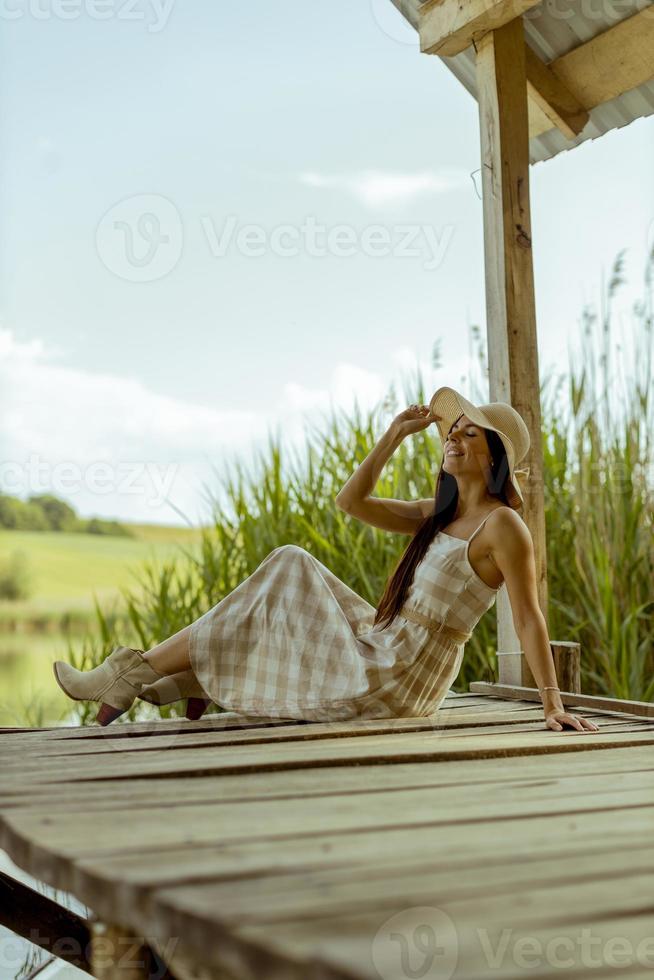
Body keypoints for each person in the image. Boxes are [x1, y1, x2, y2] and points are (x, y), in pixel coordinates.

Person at [53, 386, 600, 734]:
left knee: (289, 564)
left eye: (468, 432)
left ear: (494, 455)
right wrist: (391, 436)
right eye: (451, 431)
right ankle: (167, 676)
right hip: (386, 641)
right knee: (293, 566)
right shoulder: (439, 510)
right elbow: (351, 503)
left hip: (404, 672)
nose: (452, 438)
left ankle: (137, 673)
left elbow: (528, 616)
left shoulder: (503, 526)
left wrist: (551, 704)